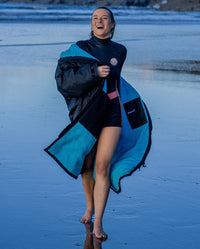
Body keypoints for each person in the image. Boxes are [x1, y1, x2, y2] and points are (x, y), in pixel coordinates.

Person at [57, 6, 126, 239]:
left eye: (104, 18)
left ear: (112, 24)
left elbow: (118, 84)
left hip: (112, 113)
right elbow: (63, 80)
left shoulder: (120, 50)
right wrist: (94, 72)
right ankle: (89, 206)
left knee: (101, 166)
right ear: (91, 24)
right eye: (95, 18)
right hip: (88, 114)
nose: (99, 21)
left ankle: (98, 223)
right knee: (87, 166)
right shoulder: (79, 49)